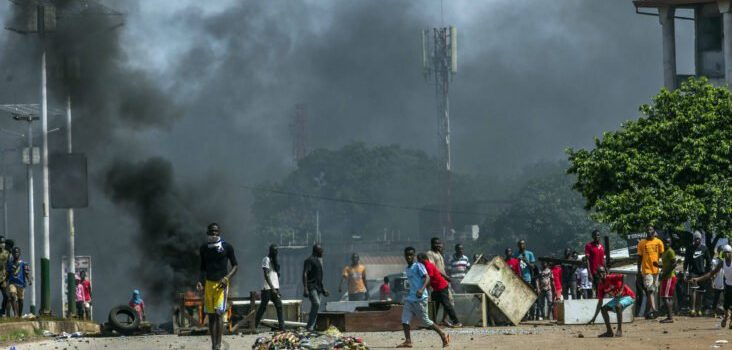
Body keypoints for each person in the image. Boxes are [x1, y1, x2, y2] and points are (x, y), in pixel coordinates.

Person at [396, 247, 449, 348]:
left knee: (425, 321)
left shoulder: (418, 266)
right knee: (405, 319)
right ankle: (408, 341)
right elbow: (413, 283)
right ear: (404, 256)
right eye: (407, 255)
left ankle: (442, 335)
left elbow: (427, 277)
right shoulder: (407, 269)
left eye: (411, 255)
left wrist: (421, 289)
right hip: (411, 298)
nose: (409, 257)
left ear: (414, 256)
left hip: (420, 298)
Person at [196, 223, 238, 350]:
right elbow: (202, 268)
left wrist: (227, 278)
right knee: (211, 315)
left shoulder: (227, 247)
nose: (214, 234)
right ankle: (213, 344)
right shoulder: (204, 248)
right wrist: (200, 281)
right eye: (212, 231)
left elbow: (235, 265)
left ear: (219, 232)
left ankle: (218, 345)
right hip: (208, 284)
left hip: (221, 285)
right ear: (207, 233)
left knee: (219, 313)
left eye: (216, 231)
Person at [691, 245, 732, 328]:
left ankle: (730, 321)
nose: (727, 254)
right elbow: (711, 273)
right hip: (727, 285)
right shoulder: (722, 262)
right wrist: (698, 279)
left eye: (728, 252)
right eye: (725, 252)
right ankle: (726, 316)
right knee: (726, 306)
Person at [588, 267, 636, 337]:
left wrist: (621, 290)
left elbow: (624, 276)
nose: (602, 274)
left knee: (618, 306)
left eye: (603, 272)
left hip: (628, 296)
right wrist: (594, 318)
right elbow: (600, 302)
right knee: (603, 309)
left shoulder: (610, 277)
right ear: (597, 275)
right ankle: (609, 332)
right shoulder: (600, 286)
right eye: (600, 273)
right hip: (618, 299)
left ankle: (619, 330)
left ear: (605, 272)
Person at [418, 252, 462, 327]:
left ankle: (457, 322)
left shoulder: (428, 265)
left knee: (447, 305)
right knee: (435, 305)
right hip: (437, 288)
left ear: (423, 259)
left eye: (419, 260)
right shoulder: (428, 265)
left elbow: (430, 278)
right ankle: (432, 323)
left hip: (441, 287)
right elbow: (437, 272)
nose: (418, 262)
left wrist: (424, 288)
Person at [255, 244, 284, 331]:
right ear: (270, 251)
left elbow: (275, 276)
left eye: (277, 251)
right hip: (267, 288)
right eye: (274, 250)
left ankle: (282, 328)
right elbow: (266, 275)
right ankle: (254, 326)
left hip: (275, 288)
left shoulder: (275, 261)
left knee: (279, 306)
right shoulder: (266, 259)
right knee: (263, 307)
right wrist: (273, 288)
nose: (276, 252)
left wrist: (277, 289)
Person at [637, 225, 664, 319]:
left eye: (651, 229)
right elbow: (639, 258)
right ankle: (654, 309)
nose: (649, 231)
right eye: (647, 229)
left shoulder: (659, 242)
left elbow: (662, 255)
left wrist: (662, 267)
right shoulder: (641, 243)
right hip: (646, 270)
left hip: (656, 270)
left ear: (654, 231)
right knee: (650, 290)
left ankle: (648, 312)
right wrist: (638, 271)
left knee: (653, 291)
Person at [684, 231, 710, 316]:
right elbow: (686, 261)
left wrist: (707, 272)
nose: (697, 240)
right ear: (693, 239)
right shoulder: (689, 248)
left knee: (701, 291)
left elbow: (708, 261)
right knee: (693, 290)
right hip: (693, 272)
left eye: (698, 238)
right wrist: (685, 272)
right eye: (695, 239)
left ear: (701, 239)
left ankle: (699, 309)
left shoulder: (704, 248)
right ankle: (693, 309)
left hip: (702, 272)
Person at [303, 244, 328, 331]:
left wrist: (323, 289)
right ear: (317, 251)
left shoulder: (318, 261)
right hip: (311, 286)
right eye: (321, 251)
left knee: (317, 306)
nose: (322, 253)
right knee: (316, 303)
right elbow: (305, 273)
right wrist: (305, 288)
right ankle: (309, 326)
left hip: (318, 287)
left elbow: (319, 278)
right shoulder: (309, 260)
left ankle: (312, 327)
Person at [515, 239, 536, 319]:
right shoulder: (516, 254)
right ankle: (523, 315)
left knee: (529, 296)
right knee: (521, 297)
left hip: (527, 278)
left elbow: (533, 267)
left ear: (525, 245)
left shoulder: (529, 254)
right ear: (518, 245)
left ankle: (531, 315)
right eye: (520, 244)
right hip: (519, 279)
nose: (521, 246)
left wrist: (526, 261)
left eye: (523, 244)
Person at [659, 236, 678, 323]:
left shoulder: (670, 251)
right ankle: (669, 316)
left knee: (666, 297)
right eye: (665, 242)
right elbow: (666, 265)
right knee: (665, 297)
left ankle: (670, 317)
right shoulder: (664, 252)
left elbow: (674, 264)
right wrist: (658, 266)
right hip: (666, 276)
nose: (666, 244)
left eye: (668, 242)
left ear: (670, 243)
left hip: (669, 276)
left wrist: (665, 273)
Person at [6, 247, 30, 318]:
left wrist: (29, 280)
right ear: (12, 254)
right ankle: (15, 314)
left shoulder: (23, 263)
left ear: (20, 253)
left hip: (21, 284)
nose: (16, 254)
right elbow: (8, 273)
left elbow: (26, 273)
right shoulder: (10, 264)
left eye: (17, 252)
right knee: (13, 296)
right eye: (14, 252)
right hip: (12, 283)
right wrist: (5, 281)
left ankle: (19, 315)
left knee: (21, 300)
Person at [585, 230, 606, 294]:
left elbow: (603, 259)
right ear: (592, 236)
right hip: (594, 271)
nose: (597, 236)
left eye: (598, 235)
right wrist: (589, 273)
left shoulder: (602, 246)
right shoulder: (588, 246)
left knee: (604, 288)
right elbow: (587, 260)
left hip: (602, 271)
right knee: (598, 288)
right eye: (595, 235)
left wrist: (606, 270)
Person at [711, 246, 726, 316]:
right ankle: (714, 312)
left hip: (726, 282)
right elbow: (713, 272)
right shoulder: (714, 261)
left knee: (725, 298)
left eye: (722, 251)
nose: (721, 252)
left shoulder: (727, 261)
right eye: (720, 251)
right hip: (717, 281)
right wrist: (712, 281)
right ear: (718, 251)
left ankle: (724, 313)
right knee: (716, 297)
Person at [0, 237, 9, 317]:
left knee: (6, 296)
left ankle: (2, 311)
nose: (2, 244)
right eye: (1, 243)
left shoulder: (7, 253)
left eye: (3, 243)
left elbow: (9, 264)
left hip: (3, 278)